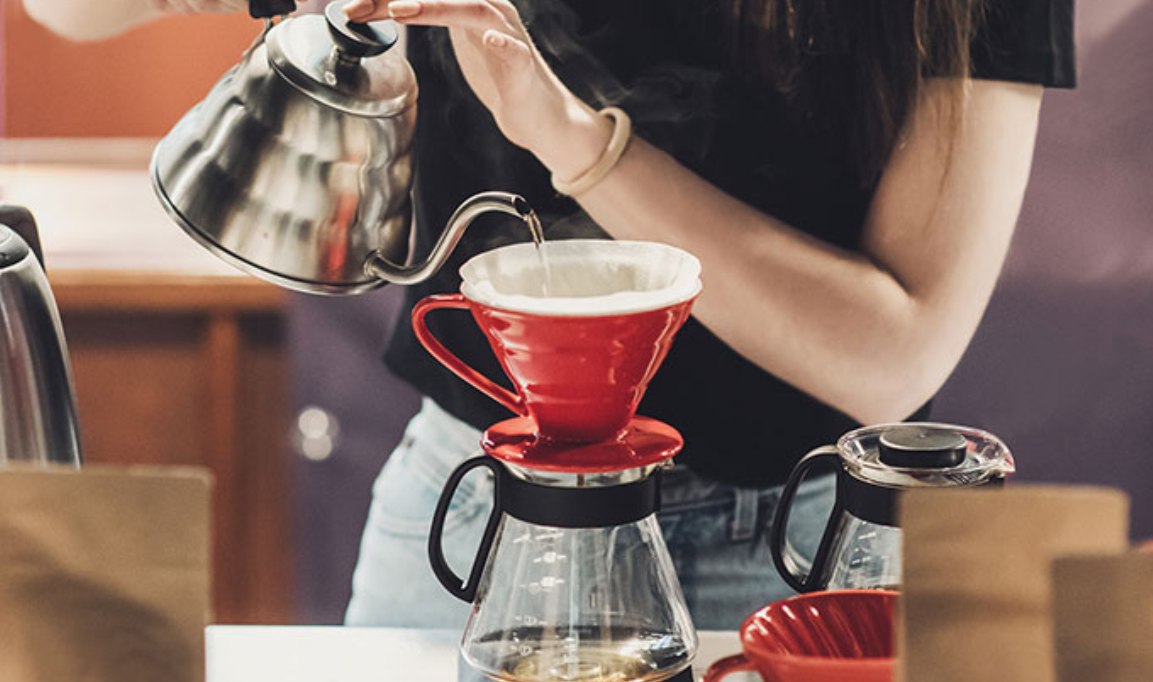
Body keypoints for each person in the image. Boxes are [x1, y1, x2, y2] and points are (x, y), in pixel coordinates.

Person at [24, 0, 1075, 630]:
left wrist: (572, 137)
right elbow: (66, 12)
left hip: (801, 546)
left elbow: (891, 351)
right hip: (478, 507)